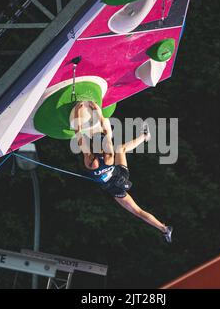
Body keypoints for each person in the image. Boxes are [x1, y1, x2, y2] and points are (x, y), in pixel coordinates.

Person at [73, 101, 173, 243]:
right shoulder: (105, 157)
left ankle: (164, 229)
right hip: (118, 182)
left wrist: (80, 111)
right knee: (119, 149)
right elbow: (86, 131)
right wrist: (96, 110)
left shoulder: (90, 159)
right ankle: (163, 229)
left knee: (120, 149)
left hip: (118, 181)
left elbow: (80, 133)